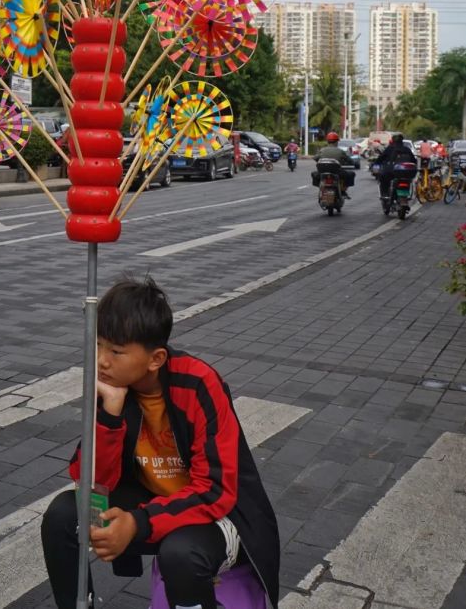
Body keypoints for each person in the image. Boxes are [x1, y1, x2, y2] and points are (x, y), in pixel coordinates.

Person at [41, 277, 280, 609]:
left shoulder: (198, 384)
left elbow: (214, 490)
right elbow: (92, 484)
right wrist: (109, 414)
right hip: (151, 508)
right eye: (98, 345)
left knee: (180, 555)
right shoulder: (112, 385)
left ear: (155, 359)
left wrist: (136, 525)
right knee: (64, 515)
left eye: (116, 351)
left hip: (218, 519)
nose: (101, 361)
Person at [373, 133, 418, 200]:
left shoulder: (390, 148)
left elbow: (381, 158)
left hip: (392, 172)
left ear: (393, 140)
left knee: (383, 178)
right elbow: (414, 161)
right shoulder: (407, 149)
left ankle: (385, 194)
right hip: (407, 173)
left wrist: (375, 163)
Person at [313, 131, 355, 197]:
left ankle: (321, 188)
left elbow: (315, 158)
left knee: (314, 174)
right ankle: (343, 190)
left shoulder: (322, 150)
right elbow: (350, 161)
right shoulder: (340, 151)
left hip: (322, 172)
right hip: (336, 173)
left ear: (327, 141)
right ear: (336, 142)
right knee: (351, 174)